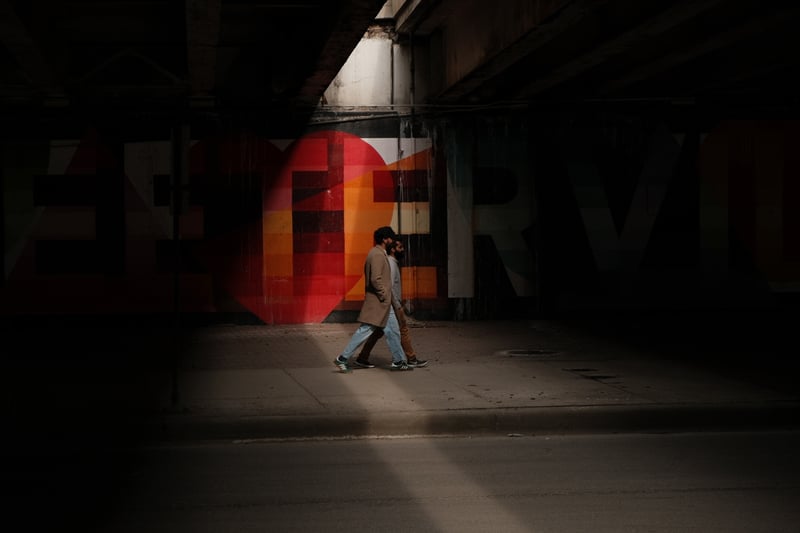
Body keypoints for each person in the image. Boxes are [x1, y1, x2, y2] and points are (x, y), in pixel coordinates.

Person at [333, 226, 413, 372]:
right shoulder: (376, 255)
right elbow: (375, 279)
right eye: (391, 238)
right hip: (379, 302)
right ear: (384, 239)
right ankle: (343, 358)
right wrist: (384, 295)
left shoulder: (378, 253)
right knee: (365, 330)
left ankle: (400, 361)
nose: (392, 241)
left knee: (393, 331)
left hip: (383, 303)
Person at [354, 238, 428, 368]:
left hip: (390, 304)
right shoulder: (391, 264)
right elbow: (390, 288)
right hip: (393, 305)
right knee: (403, 330)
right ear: (393, 249)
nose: (403, 250)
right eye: (400, 247)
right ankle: (411, 358)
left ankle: (362, 357)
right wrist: (397, 305)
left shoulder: (391, 262)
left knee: (377, 332)